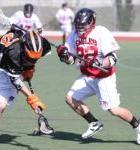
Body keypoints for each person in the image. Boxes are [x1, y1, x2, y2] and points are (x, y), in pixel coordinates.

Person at [56, 8, 140, 144]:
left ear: (92, 22)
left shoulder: (101, 32)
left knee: (113, 110)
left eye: (83, 25)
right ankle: (94, 123)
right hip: (87, 76)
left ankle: (138, 126)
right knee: (70, 98)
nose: (80, 28)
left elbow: (113, 58)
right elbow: (71, 61)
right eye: (78, 25)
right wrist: (64, 56)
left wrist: (100, 61)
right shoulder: (74, 34)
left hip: (103, 77)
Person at [0, 23, 54, 134]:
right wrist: (32, 98)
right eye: (28, 57)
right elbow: (15, 81)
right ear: (23, 46)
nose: (31, 60)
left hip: (12, 68)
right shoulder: (14, 53)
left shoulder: (43, 44)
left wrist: (30, 67)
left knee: (0, 106)